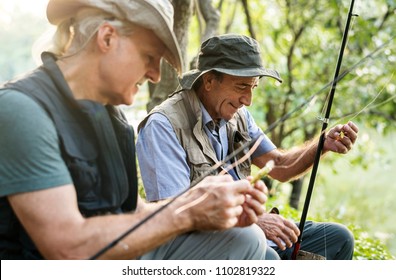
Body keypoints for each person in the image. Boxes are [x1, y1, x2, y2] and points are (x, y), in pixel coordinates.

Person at [0, 0, 270, 260]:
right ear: (107, 38)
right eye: (150, 57)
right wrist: (188, 214)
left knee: (248, 240)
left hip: (114, 256)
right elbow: (67, 247)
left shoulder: (114, 119)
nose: (155, 74)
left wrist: (205, 204)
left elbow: (130, 212)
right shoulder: (22, 110)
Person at [136, 34, 359, 260]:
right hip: (195, 245)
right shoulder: (164, 125)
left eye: (253, 86)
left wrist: (322, 145)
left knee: (339, 239)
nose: (248, 100)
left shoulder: (237, 115)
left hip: (245, 232)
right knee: (268, 257)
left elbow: (280, 166)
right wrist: (251, 222)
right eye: (242, 86)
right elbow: (177, 214)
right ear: (209, 81)